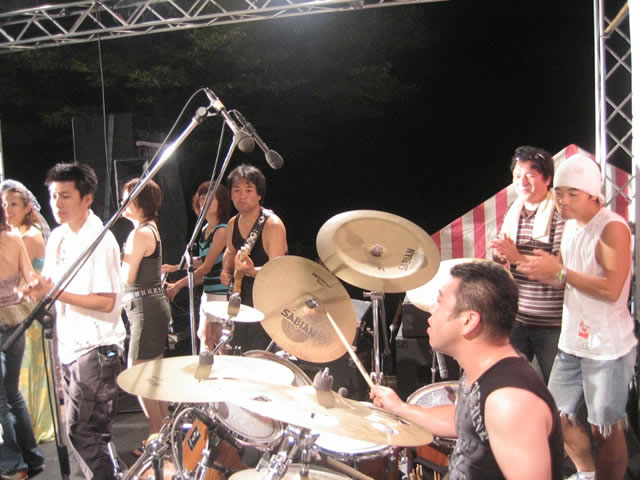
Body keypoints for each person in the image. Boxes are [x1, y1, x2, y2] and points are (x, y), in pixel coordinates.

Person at [370, 261, 564, 480]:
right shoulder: (484, 370)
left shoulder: (510, 403)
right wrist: (399, 408)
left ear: (469, 321)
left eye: (440, 302)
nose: (431, 310)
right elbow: (465, 421)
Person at [517, 152, 637, 480]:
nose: (563, 200)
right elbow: (562, 275)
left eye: (573, 194)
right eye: (559, 192)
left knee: (605, 429)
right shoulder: (570, 226)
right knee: (555, 417)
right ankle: (586, 472)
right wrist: (534, 266)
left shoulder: (612, 228)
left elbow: (611, 289)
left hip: (607, 348)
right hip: (572, 342)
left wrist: (559, 273)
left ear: (593, 195)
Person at [24, 163, 126, 480]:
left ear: (87, 198)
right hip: (69, 347)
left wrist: (54, 292)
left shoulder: (100, 240)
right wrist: (35, 288)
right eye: (54, 196)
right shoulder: (58, 237)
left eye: (65, 196)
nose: (57, 203)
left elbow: (107, 301)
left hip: (96, 347)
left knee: (83, 432)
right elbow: (50, 284)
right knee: (88, 435)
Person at [489, 146, 565, 383]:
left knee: (555, 390)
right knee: (512, 383)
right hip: (518, 318)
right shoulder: (514, 210)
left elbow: (560, 273)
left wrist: (516, 257)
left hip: (552, 323)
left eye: (530, 175)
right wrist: (499, 254)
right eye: (517, 175)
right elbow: (504, 255)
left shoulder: (559, 213)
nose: (522, 182)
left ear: (547, 178)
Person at [1, 180, 55, 444]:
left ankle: (32, 426)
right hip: (20, 306)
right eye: (5, 204)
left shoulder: (27, 236)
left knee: (29, 369)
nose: (8, 209)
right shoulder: (16, 234)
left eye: (14, 204)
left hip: (26, 308)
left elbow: (28, 279)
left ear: (27, 207)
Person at [120, 178, 171, 441]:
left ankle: (156, 433)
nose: (123, 203)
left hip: (145, 309)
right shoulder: (149, 229)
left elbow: (127, 277)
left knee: (138, 372)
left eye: (128, 198)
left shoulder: (140, 233)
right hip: (151, 307)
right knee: (152, 375)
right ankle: (165, 433)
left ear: (142, 202)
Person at [0, 199, 46, 480]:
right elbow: (31, 278)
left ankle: (13, 465)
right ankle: (32, 457)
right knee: (12, 393)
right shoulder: (14, 239)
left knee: (1, 400)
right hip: (16, 321)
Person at [219, 164, 287, 352]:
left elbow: (278, 271)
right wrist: (225, 270)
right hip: (239, 297)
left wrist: (251, 271)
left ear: (259, 194)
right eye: (236, 190)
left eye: (248, 190)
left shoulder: (272, 225)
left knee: (258, 354)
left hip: (267, 301)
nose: (242, 196)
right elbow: (230, 251)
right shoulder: (232, 223)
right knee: (235, 350)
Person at [163, 181, 231, 350]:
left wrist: (178, 285)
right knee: (204, 336)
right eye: (202, 198)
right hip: (208, 291)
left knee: (218, 339)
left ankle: (223, 366)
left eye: (210, 198)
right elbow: (201, 260)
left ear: (221, 202)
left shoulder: (222, 230)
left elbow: (207, 266)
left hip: (220, 293)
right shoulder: (205, 229)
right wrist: (175, 267)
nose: (204, 201)